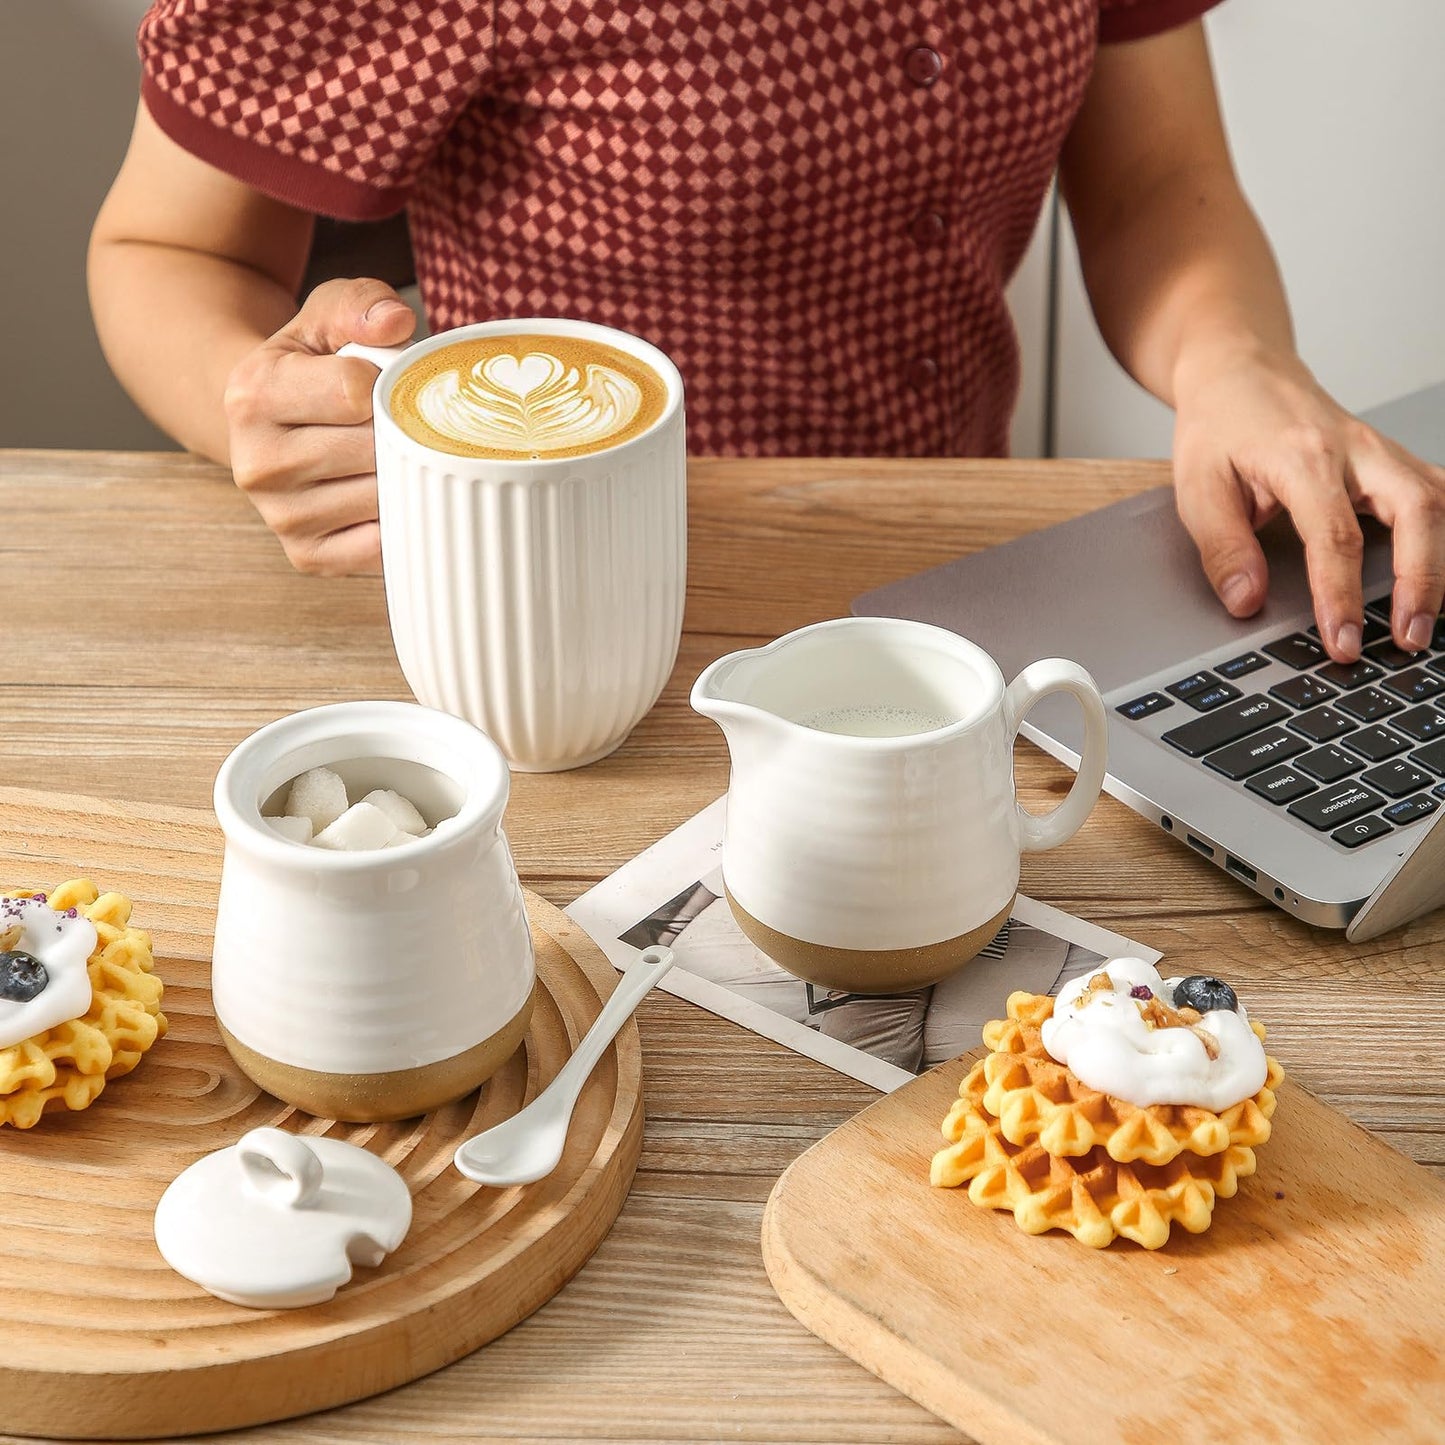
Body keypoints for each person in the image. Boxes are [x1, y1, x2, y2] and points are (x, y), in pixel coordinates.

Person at [89, 2, 1445, 664]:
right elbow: (167, 250)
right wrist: (249, 397)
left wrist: (1234, 367)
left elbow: (1156, 187)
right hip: (582, 645)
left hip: (971, 615)